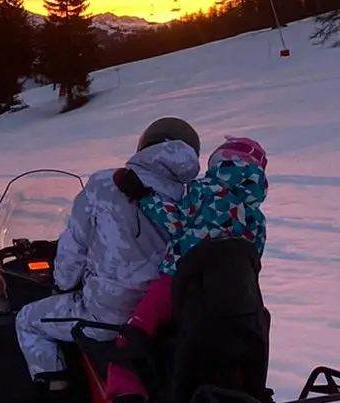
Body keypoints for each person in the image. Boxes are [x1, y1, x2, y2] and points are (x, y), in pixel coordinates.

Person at [14, 117, 203, 403]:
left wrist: (62, 283)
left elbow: (74, 244)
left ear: (143, 147)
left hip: (110, 315)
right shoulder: (200, 195)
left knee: (28, 321)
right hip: (173, 313)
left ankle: (57, 397)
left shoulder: (105, 184)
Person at [106, 136, 269, 403]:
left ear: (221, 162)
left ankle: (126, 393)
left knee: (135, 332)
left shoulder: (206, 191)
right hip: (240, 295)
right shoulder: (257, 217)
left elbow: (174, 220)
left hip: (179, 281)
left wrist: (140, 194)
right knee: (246, 333)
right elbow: (254, 258)